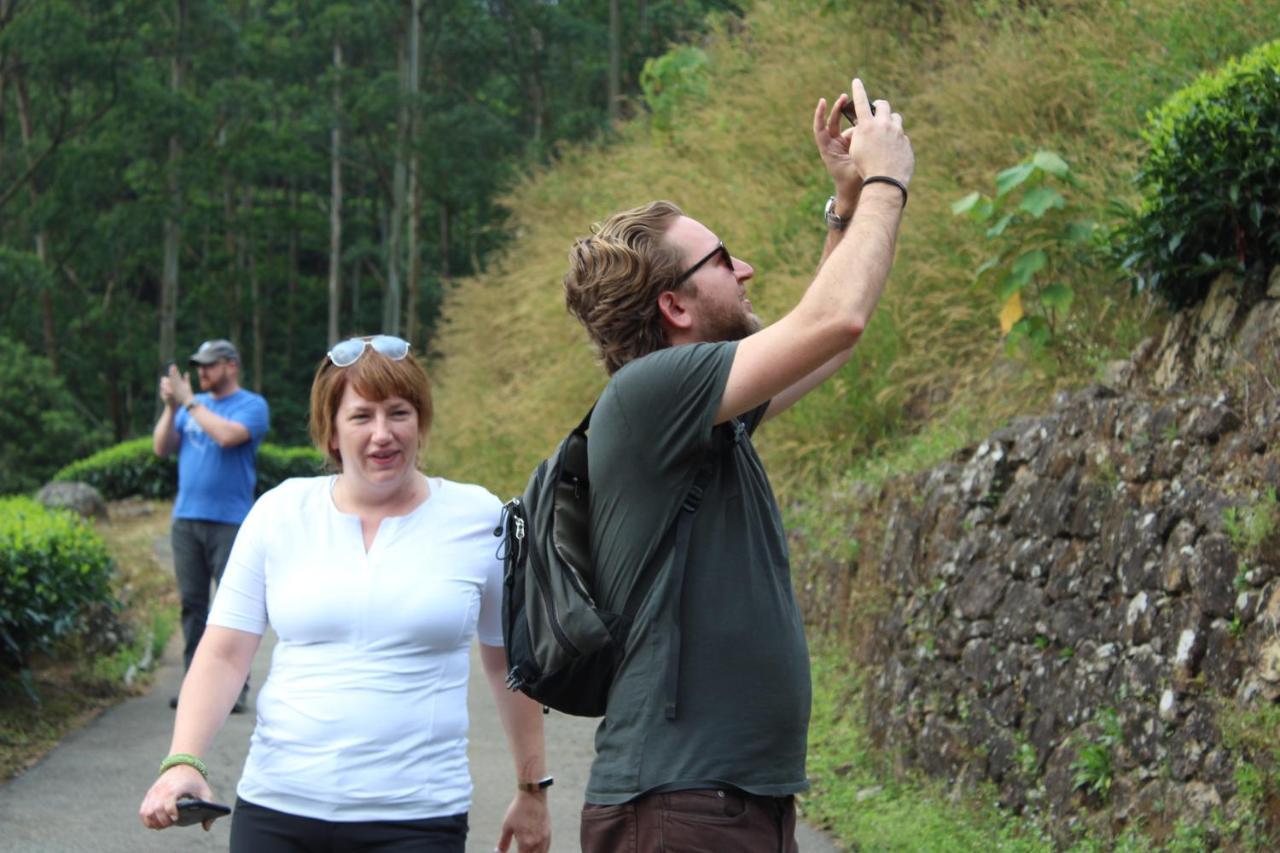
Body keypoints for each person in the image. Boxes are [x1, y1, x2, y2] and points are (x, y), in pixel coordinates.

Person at [560, 78, 913, 851]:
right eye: (722, 260)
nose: (747, 267)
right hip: (682, 806)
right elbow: (836, 318)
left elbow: (817, 343)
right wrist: (888, 178)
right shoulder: (651, 395)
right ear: (675, 307)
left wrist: (848, 203)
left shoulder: (693, 417)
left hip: (718, 802)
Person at [139, 335, 552, 852]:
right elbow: (223, 653)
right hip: (277, 810)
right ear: (331, 431)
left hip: (417, 818)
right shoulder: (280, 512)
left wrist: (532, 788)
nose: (383, 434)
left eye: (398, 413)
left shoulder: (478, 518)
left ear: (420, 421)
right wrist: (184, 760)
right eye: (361, 417)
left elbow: (509, 663)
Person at [153, 338, 269, 712]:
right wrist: (172, 408)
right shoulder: (189, 408)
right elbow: (161, 448)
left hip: (231, 523)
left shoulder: (252, 406)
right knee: (193, 606)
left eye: (209, 365)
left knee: (234, 608)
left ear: (231, 365)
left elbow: (227, 435)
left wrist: (188, 401)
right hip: (186, 520)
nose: (202, 372)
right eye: (198, 366)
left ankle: (234, 691)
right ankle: (195, 688)